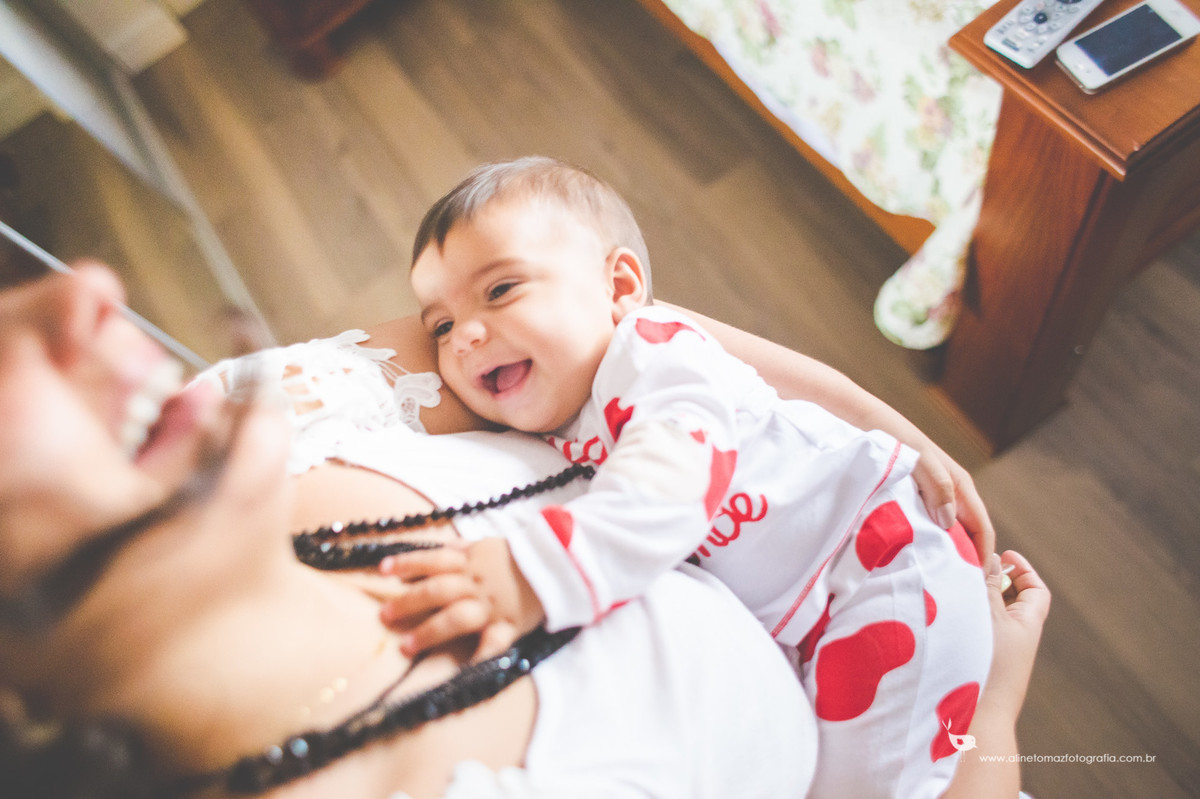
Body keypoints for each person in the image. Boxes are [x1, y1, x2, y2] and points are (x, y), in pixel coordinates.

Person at [0, 266, 1048, 798]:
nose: (84, 288)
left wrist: (890, 434)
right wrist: (989, 720)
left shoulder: (271, 410)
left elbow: (621, 327)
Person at [399, 156, 993, 797]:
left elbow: (674, 479)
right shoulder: (554, 418)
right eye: (441, 325)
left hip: (884, 562)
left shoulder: (653, 350)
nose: (466, 337)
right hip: (805, 611)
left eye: (500, 290)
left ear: (619, 288)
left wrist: (537, 571)